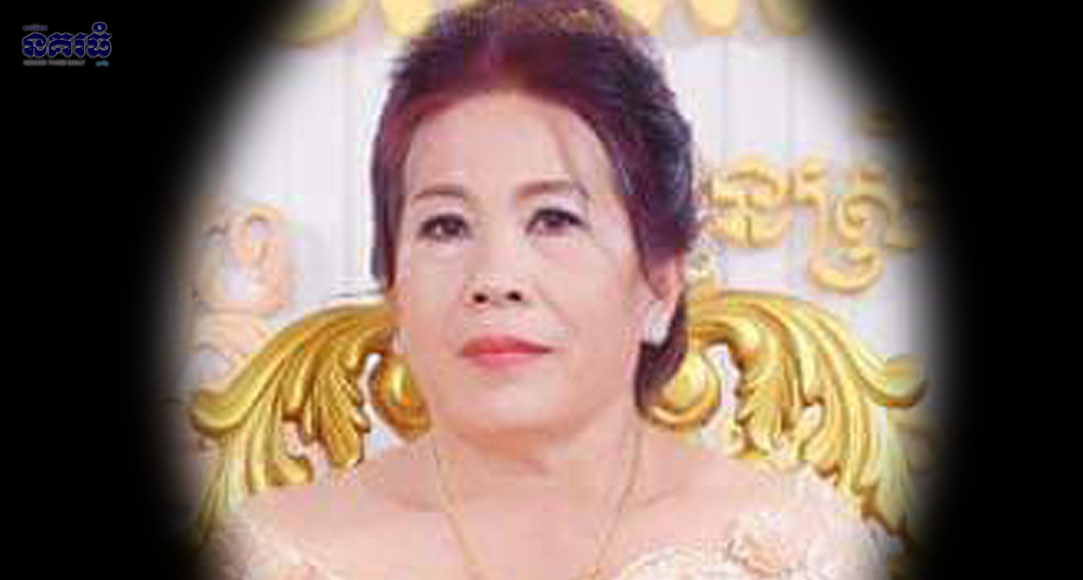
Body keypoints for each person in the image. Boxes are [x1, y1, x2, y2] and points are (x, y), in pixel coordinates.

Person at [205, 1, 886, 578]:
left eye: (554, 219)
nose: (494, 280)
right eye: (445, 225)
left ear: (658, 285)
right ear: (393, 289)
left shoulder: (792, 547)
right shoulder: (275, 553)